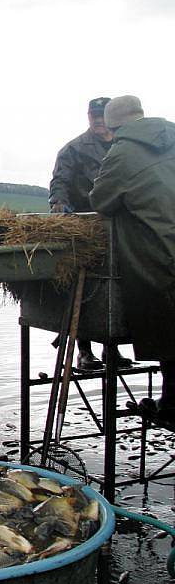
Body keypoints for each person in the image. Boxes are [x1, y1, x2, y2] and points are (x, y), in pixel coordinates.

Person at [90, 95, 175, 420]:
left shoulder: (123, 151)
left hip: (159, 252)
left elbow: (102, 200)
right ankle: (169, 402)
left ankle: (171, 408)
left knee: (167, 326)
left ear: (113, 127)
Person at [49, 96, 131, 371]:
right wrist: (58, 204)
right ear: (88, 116)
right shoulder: (73, 149)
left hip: (119, 228)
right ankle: (85, 351)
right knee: (83, 286)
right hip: (86, 228)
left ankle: (112, 349)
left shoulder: (125, 146)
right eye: (93, 115)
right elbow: (59, 181)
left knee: (114, 286)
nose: (97, 120)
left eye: (101, 115)